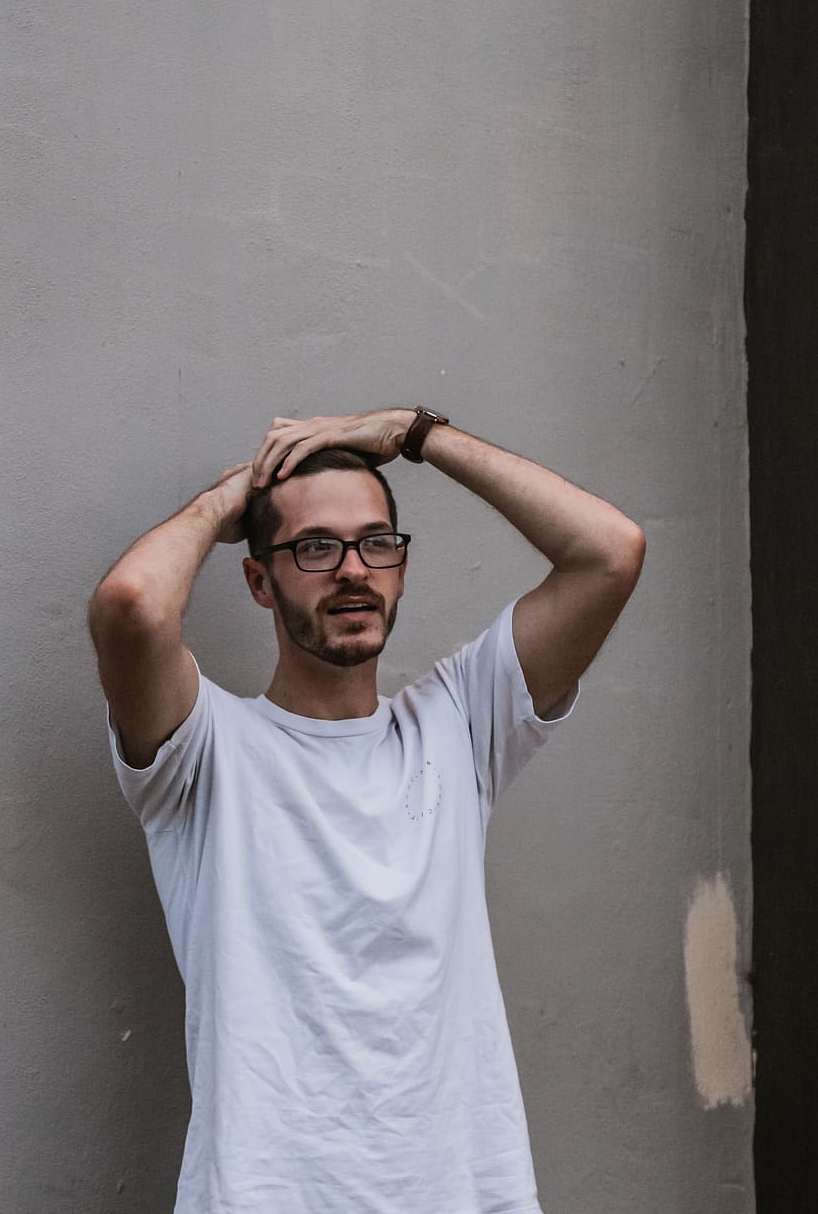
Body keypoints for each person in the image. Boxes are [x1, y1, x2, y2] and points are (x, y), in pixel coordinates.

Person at [88, 406, 645, 1214]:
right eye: (315, 547)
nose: (353, 569)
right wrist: (224, 501)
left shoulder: (457, 722)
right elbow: (132, 604)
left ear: (401, 567)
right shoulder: (206, 752)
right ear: (258, 579)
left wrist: (417, 434)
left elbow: (611, 552)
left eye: (376, 542)